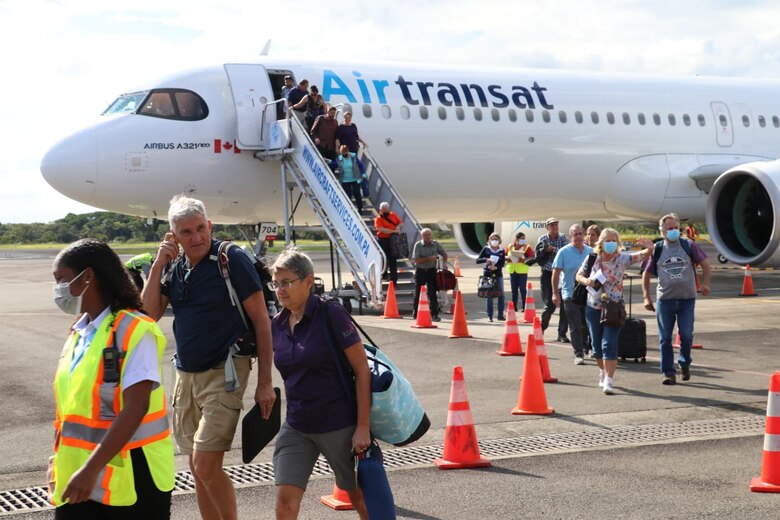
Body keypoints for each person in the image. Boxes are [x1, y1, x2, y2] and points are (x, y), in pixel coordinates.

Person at [141, 195, 275, 520]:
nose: (197, 238)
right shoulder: (175, 265)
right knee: (195, 467)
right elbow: (148, 313)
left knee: (205, 464)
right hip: (185, 376)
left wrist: (265, 384)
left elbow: (261, 321)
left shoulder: (231, 259)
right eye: (186, 232)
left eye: (201, 228)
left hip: (225, 372)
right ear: (173, 236)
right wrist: (159, 264)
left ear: (210, 225)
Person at [50, 239, 174, 518]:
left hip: (132, 479)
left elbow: (136, 407)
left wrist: (90, 469)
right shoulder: (79, 334)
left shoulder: (134, 329)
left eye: (61, 280)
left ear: (88, 278)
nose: (57, 289)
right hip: (79, 478)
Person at [270, 249, 371, 519]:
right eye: (276, 283)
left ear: (308, 281)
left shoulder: (331, 314)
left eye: (286, 282)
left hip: (338, 425)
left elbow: (362, 370)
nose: (280, 290)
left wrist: (362, 427)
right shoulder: (277, 324)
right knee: (284, 504)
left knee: (361, 500)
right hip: (297, 426)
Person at [576, 229, 653, 395]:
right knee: (596, 347)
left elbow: (641, 255)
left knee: (609, 344)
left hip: (614, 308)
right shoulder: (592, 259)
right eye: (607, 241)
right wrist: (586, 280)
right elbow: (579, 275)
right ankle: (602, 371)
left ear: (617, 243)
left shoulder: (622, 259)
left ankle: (609, 380)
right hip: (594, 308)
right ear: (601, 243)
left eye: (613, 241)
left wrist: (650, 247)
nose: (610, 244)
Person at [642, 213, 711, 385]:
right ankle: (668, 372)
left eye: (676, 228)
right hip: (665, 300)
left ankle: (684, 362)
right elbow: (646, 273)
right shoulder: (657, 249)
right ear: (662, 231)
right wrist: (646, 296)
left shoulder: (689, 245)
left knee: (686, 335)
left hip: (687, 300)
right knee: (665, 338)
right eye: (669, 229)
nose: (673, 231)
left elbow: (705, 265)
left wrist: (706, 284)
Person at [552, 224, 594, 364]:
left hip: (588, 294)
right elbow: (555, 273)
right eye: (575, 234)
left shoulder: (591, 251)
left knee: (587, 324)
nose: (578, 237)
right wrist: (555, 293)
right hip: (569, 293)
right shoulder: (563, 252)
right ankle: (578, 354)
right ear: (571, 236)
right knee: (575, 325)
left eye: (580, 234)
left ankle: (589, 347)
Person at [537, 217, 569, 341]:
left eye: (556, 224)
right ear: (547, 228)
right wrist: (549, 251)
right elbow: (539, 254)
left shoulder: (563, 238)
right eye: (552, 225)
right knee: (550, 305)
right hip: (547, 274)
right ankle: (541, 328)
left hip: (561, 274)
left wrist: (552, 250)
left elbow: (565, 253)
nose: (555, 227)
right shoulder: (543, 239)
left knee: (564, 304)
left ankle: (562, 333)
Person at [411, 228, 447, 322]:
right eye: (425, 235)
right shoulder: (418, 245)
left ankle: (434, 315)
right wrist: (428, 258)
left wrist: (444, 263)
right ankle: (415, 312)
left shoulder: (435, 244)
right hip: (421, 271)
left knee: (432, 293)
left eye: (429, 235)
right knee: (418, 292)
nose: (427, 237)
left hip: (431, 271)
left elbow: (443, 253)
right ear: (422, 236)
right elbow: (416, 260)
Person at [476, 232, 506, 322]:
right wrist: (486, 260)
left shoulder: (501, 250)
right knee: (489, 295)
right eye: (492, 239)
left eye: (496, 239)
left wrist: (496, 267)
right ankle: (490, 315)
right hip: (488, 274)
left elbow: (502, 263)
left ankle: (500, 314)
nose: (494, 241)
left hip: (498, 274)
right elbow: (478, 260)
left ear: (499, 240)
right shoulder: (486, 249)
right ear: (489, 240)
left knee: (501, 294)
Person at [329, 145, 367, 213]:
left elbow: (361, 165)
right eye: (342, 153)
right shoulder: (340, 158)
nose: (344, 155)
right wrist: (329, 161)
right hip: (345, 180)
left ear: (348, 151)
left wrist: (364, 173)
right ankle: (349, 210)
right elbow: (335, 165)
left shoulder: (353, 156)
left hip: (355, 179)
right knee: (348, 195)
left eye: (345, 153)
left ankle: (360, 209)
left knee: (357, 193)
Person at [374, 202, 403, 284]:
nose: (386, 213)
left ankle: (394, 281)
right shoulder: (378, 218)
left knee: (393, 260)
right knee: (384, 258)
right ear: (380, 210)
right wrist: (394, 231)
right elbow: (381, 229)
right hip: (383, 240)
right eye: (384, 211)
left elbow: (401, 222)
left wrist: (398, 227)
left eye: (387, 211)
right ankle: (384, 275)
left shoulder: (393, 215)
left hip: (393, 240)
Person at [506, 232, 534, 311]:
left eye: (524, 239)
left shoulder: (527, 247)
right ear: (516, 239)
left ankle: (524, 307)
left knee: (522, 290)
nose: (523, 240)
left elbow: (531, 257)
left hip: (522, 272)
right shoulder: (510, 246)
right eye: (522, 239)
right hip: (513, 271)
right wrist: (508, 258)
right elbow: (504, 255)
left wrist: (524, 259)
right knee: (514, 290)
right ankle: (514, 306)